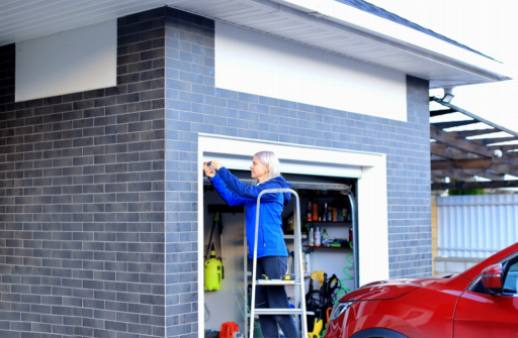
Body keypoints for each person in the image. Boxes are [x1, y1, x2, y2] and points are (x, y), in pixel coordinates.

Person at [203, 151, 298, 338]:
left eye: (254, 163)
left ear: (267, 167)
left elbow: (243, 189)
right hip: (257, 254)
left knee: (277, 306)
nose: (250, 166)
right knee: (262, 307)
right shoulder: (258, 193)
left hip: (273, 254)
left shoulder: (274, 189)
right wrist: (214, 177)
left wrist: (221, 169)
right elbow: (232, 198)